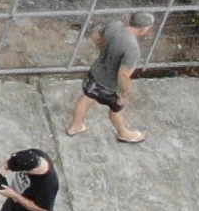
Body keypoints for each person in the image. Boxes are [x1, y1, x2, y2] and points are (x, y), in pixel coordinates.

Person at [65, 12, 155, 145]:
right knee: (116, 109)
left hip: (95, 73)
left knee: (87, 98)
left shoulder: (115, 26)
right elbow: (123, 74)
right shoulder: (132, 48)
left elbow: (95, 36)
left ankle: (75, 126)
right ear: (143, 29)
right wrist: (125, 95)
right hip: (108, 85)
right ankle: (124, 133)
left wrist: (103, 51)